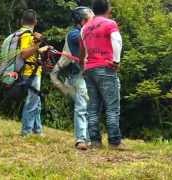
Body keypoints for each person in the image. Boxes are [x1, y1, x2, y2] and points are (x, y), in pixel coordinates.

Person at [80, 0, 124, 149]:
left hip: (89, 68)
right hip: (105, 67)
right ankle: (114, 142)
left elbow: (85, 50)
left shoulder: (85, 28)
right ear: (108, 8)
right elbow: (117, 41)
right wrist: (116, 61)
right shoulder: (110, 23)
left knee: (93, 106)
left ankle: (95, 141)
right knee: (112, 106)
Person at [50, 7, 94, 150]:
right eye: (90, 19)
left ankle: (87, 138)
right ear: (82, 21)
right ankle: (81, 139)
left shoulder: (82, 32)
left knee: (85, 107)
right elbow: (83, 38)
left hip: (84, 76)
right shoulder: (74, 34)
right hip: (76, 77)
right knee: (82, 107)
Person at [18, 9, 50, 136]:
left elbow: (32, 52)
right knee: (32, 101)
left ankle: (37, 130)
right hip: (30, 72)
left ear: (21, 21)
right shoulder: (26, 35)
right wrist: (38, 43)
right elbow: (25, 54)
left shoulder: (24, 34)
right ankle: (26, 131)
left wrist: (43, 48)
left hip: (33, 71)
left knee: (36, 102)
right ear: (35, 22)